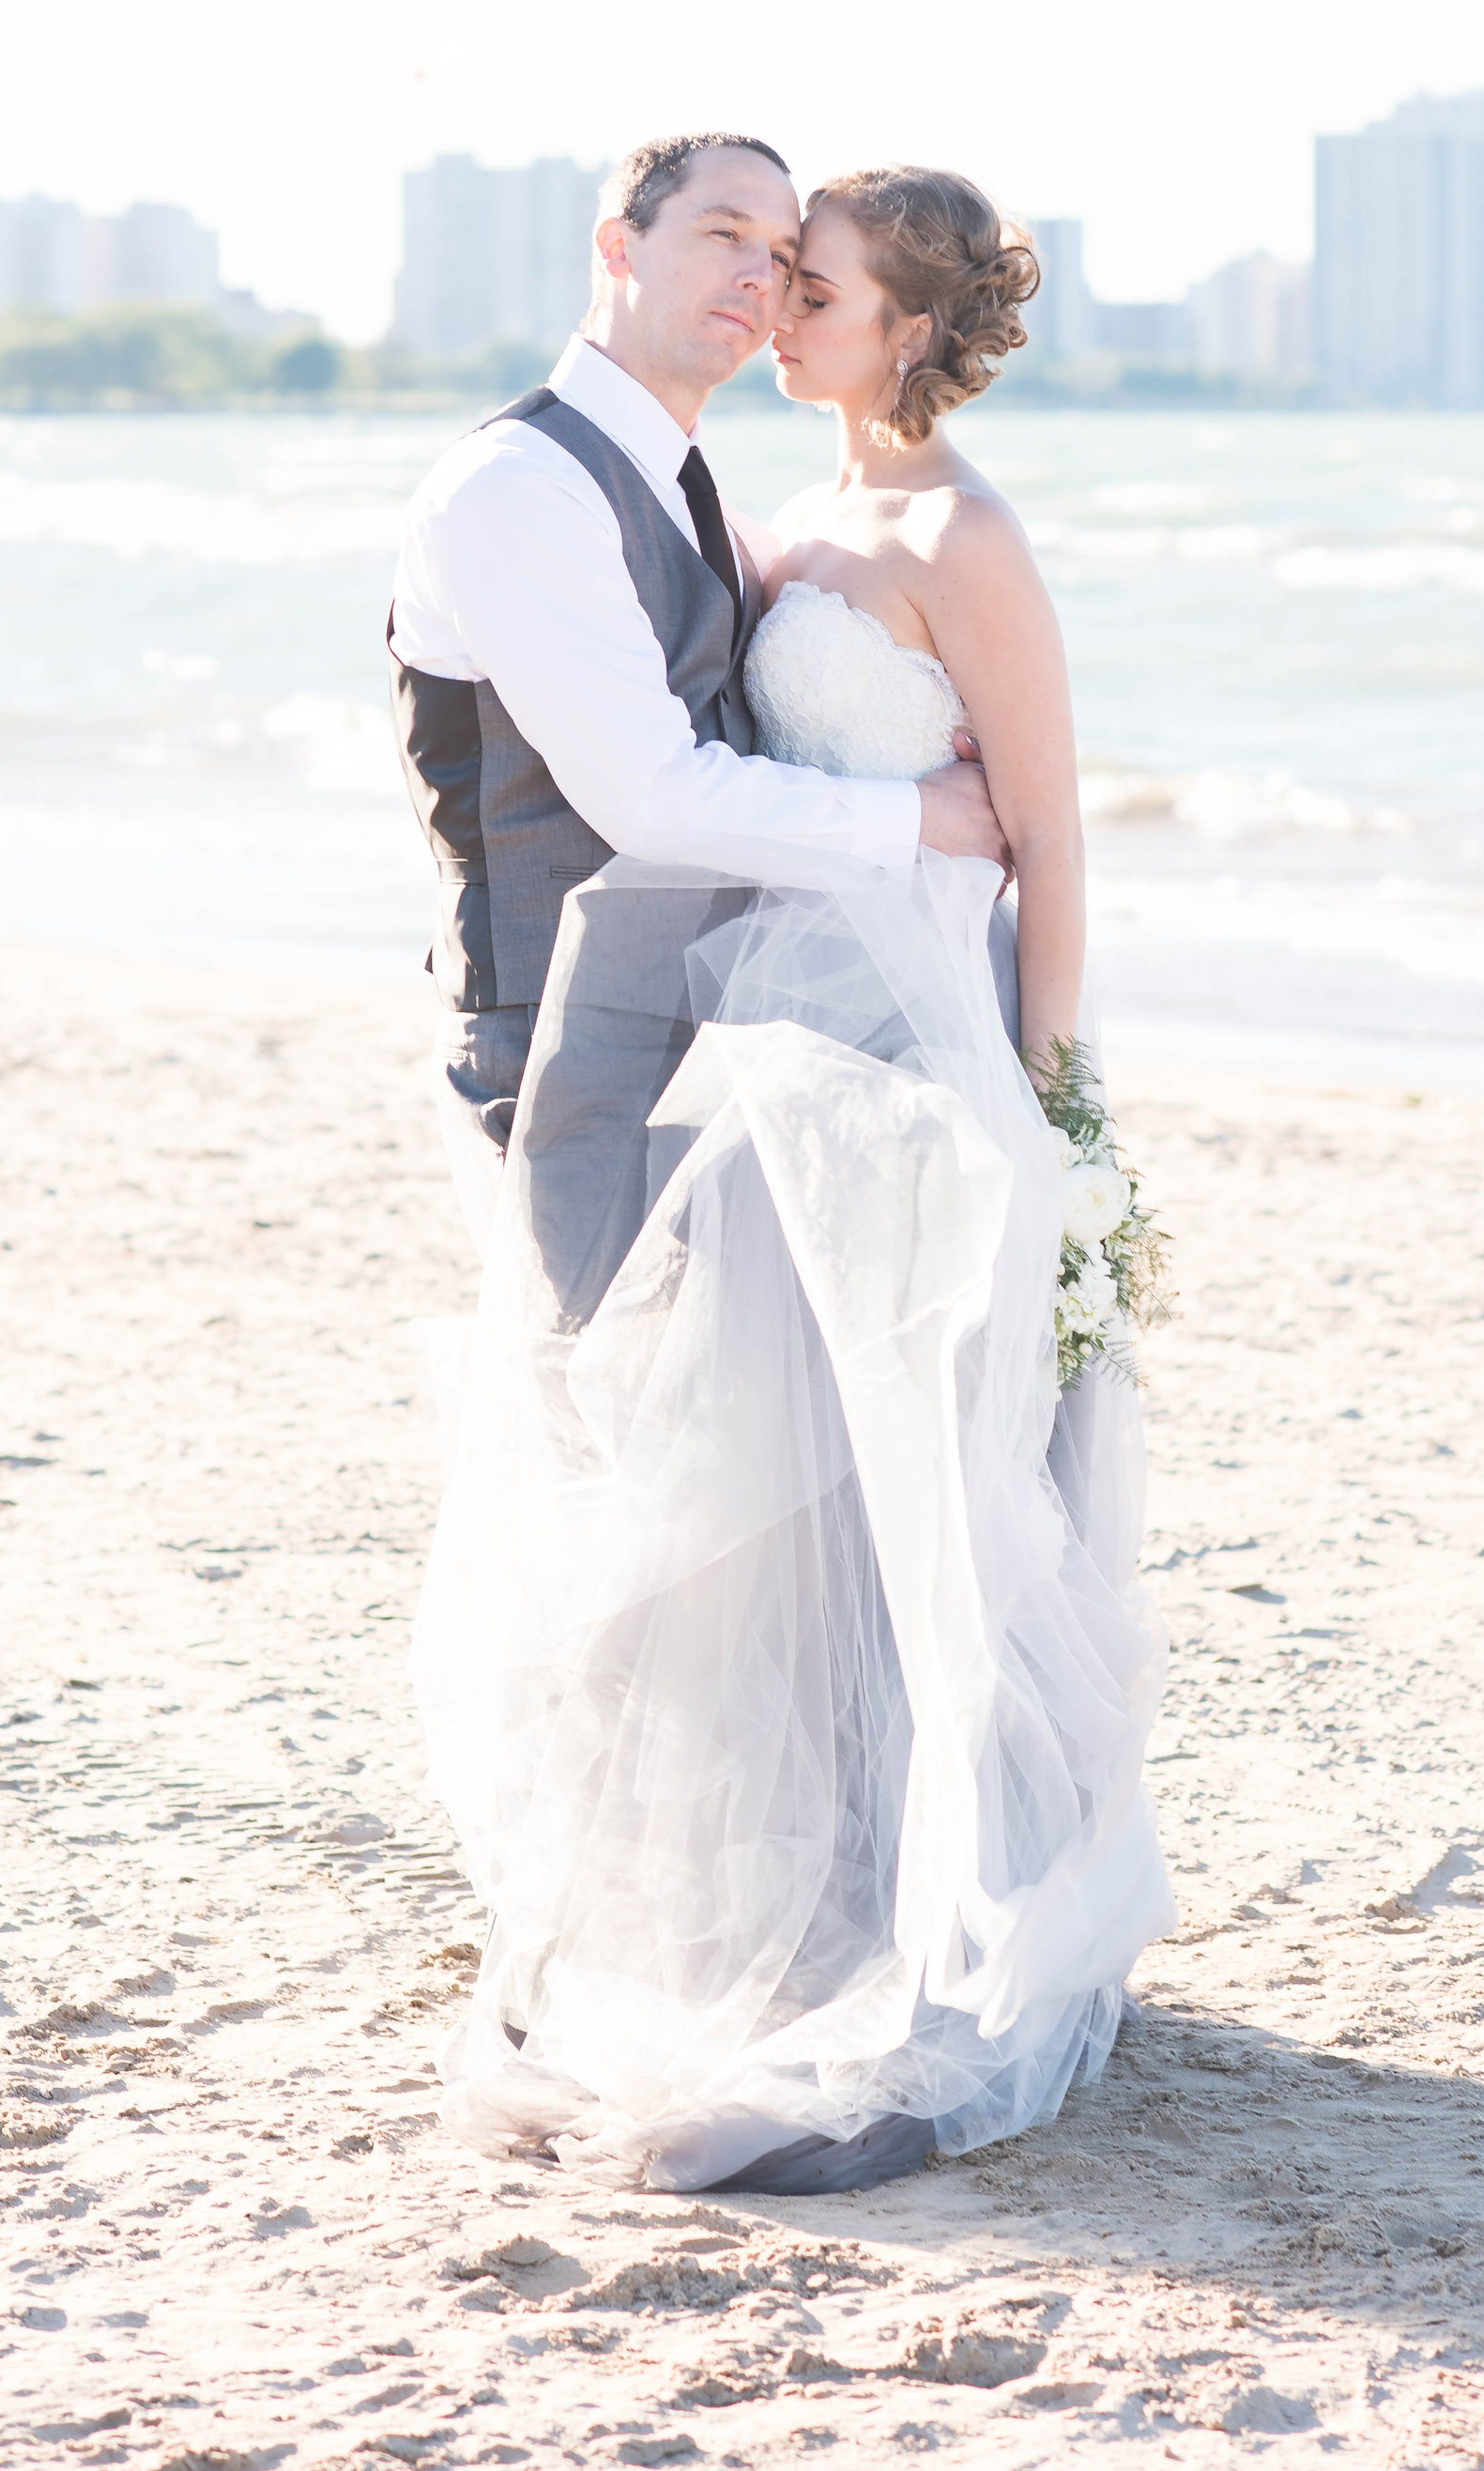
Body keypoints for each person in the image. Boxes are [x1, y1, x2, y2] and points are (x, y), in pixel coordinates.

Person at [406, 157, 1171, 2199]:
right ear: (629, 251)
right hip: (773, 1062)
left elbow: (1049, 846)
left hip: (926, 1054)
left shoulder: (956, 531)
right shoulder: (759, 523)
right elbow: (672, 789)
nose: (772, 304)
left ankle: (944, 1923)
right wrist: (899, 824)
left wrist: (1050, 1112)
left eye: (805, 277)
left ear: (904, 326)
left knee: (924, 1490)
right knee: (783, 1492)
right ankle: (819, 1912)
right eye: (748, 261)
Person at [387, 131, 1011, 1252]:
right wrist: (922, 816)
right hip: (560, 1029)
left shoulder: (690, 490)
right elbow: (654, 800)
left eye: (780, 256)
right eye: (723, 234)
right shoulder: (517, 490)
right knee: (610, 1403)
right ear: (616, 246)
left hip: (719, 1024)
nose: (755, 279)